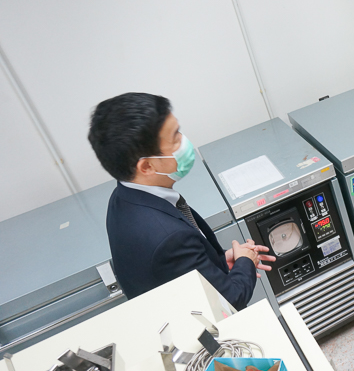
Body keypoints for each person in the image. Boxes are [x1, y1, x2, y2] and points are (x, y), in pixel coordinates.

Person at [88, 93, 275, 310]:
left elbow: (174, 267)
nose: (184, 142)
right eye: (175, 138)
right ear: (147, 166)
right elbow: (231, 298)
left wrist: (220, 260)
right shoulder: (169, 238)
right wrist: (246, 262)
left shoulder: (123, 196)